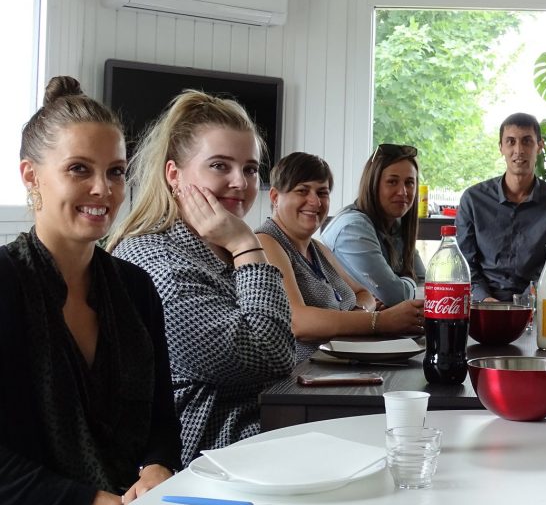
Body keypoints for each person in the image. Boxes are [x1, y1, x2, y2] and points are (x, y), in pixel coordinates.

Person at [0, 77, 180, 505]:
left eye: (116, 171)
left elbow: (163, 416)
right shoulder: (6, 282)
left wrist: (158, 467)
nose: (104, 189)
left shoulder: (135, 287)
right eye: (79, 169)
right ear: (31, 176)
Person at [109, 90, 294, 465]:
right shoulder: (153, 258)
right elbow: (270, 354)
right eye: (219, 166)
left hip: (261, 431)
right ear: (174, 175)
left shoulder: (218, 246)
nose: (241, 182)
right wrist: (246, 243)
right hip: (207, 453)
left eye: (250, 168)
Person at [256, 152, 425, 362]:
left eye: (322, 193)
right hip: (297, 381)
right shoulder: (265, 243)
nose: (315, 201)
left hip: (338, 368)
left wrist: (358, 314)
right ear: (275, 197)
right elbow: (298, 321)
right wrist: (379, 321)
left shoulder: (318, 249)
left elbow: (365, 294)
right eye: (302, 191)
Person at [457, 113, 546, 302]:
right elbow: (463, 264)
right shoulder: (473, 199)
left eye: (527, 141)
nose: (518, 150)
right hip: (481, 305)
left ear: (540, 146)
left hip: (537, 304)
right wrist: (486, 300)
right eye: (510, 142)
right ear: (501, 148)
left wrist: (524, 303)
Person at [320, 144, 425, 306]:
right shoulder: (353, 228)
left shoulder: (396, 224)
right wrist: (409, 282)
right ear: (373, 184)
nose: (403, 191)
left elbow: (427, 287)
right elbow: (395, 296)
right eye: (392, 182)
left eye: (409, 182)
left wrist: (399, 289)